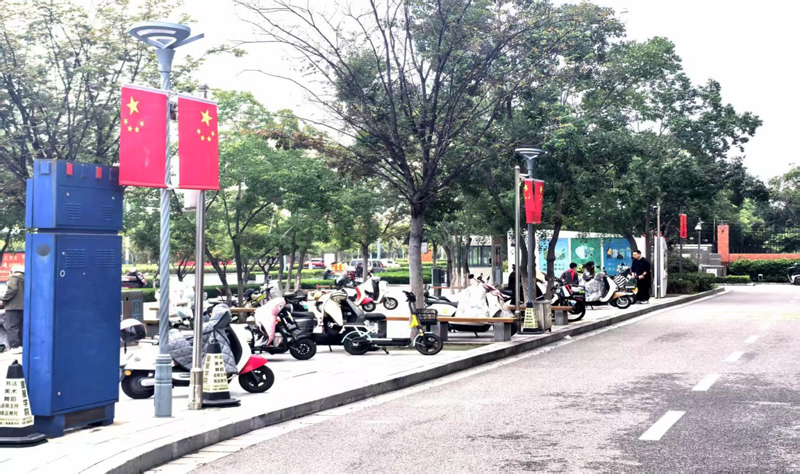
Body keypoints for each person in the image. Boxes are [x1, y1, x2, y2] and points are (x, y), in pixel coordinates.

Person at [1, 265, 25, 354]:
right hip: (23, 307)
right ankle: (22, 345)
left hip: (13, 307)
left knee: (12, 327)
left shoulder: (14, 277)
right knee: (21, 327)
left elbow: (12, 289)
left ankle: (15, 346)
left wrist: (4, 299)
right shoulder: (26, 278)